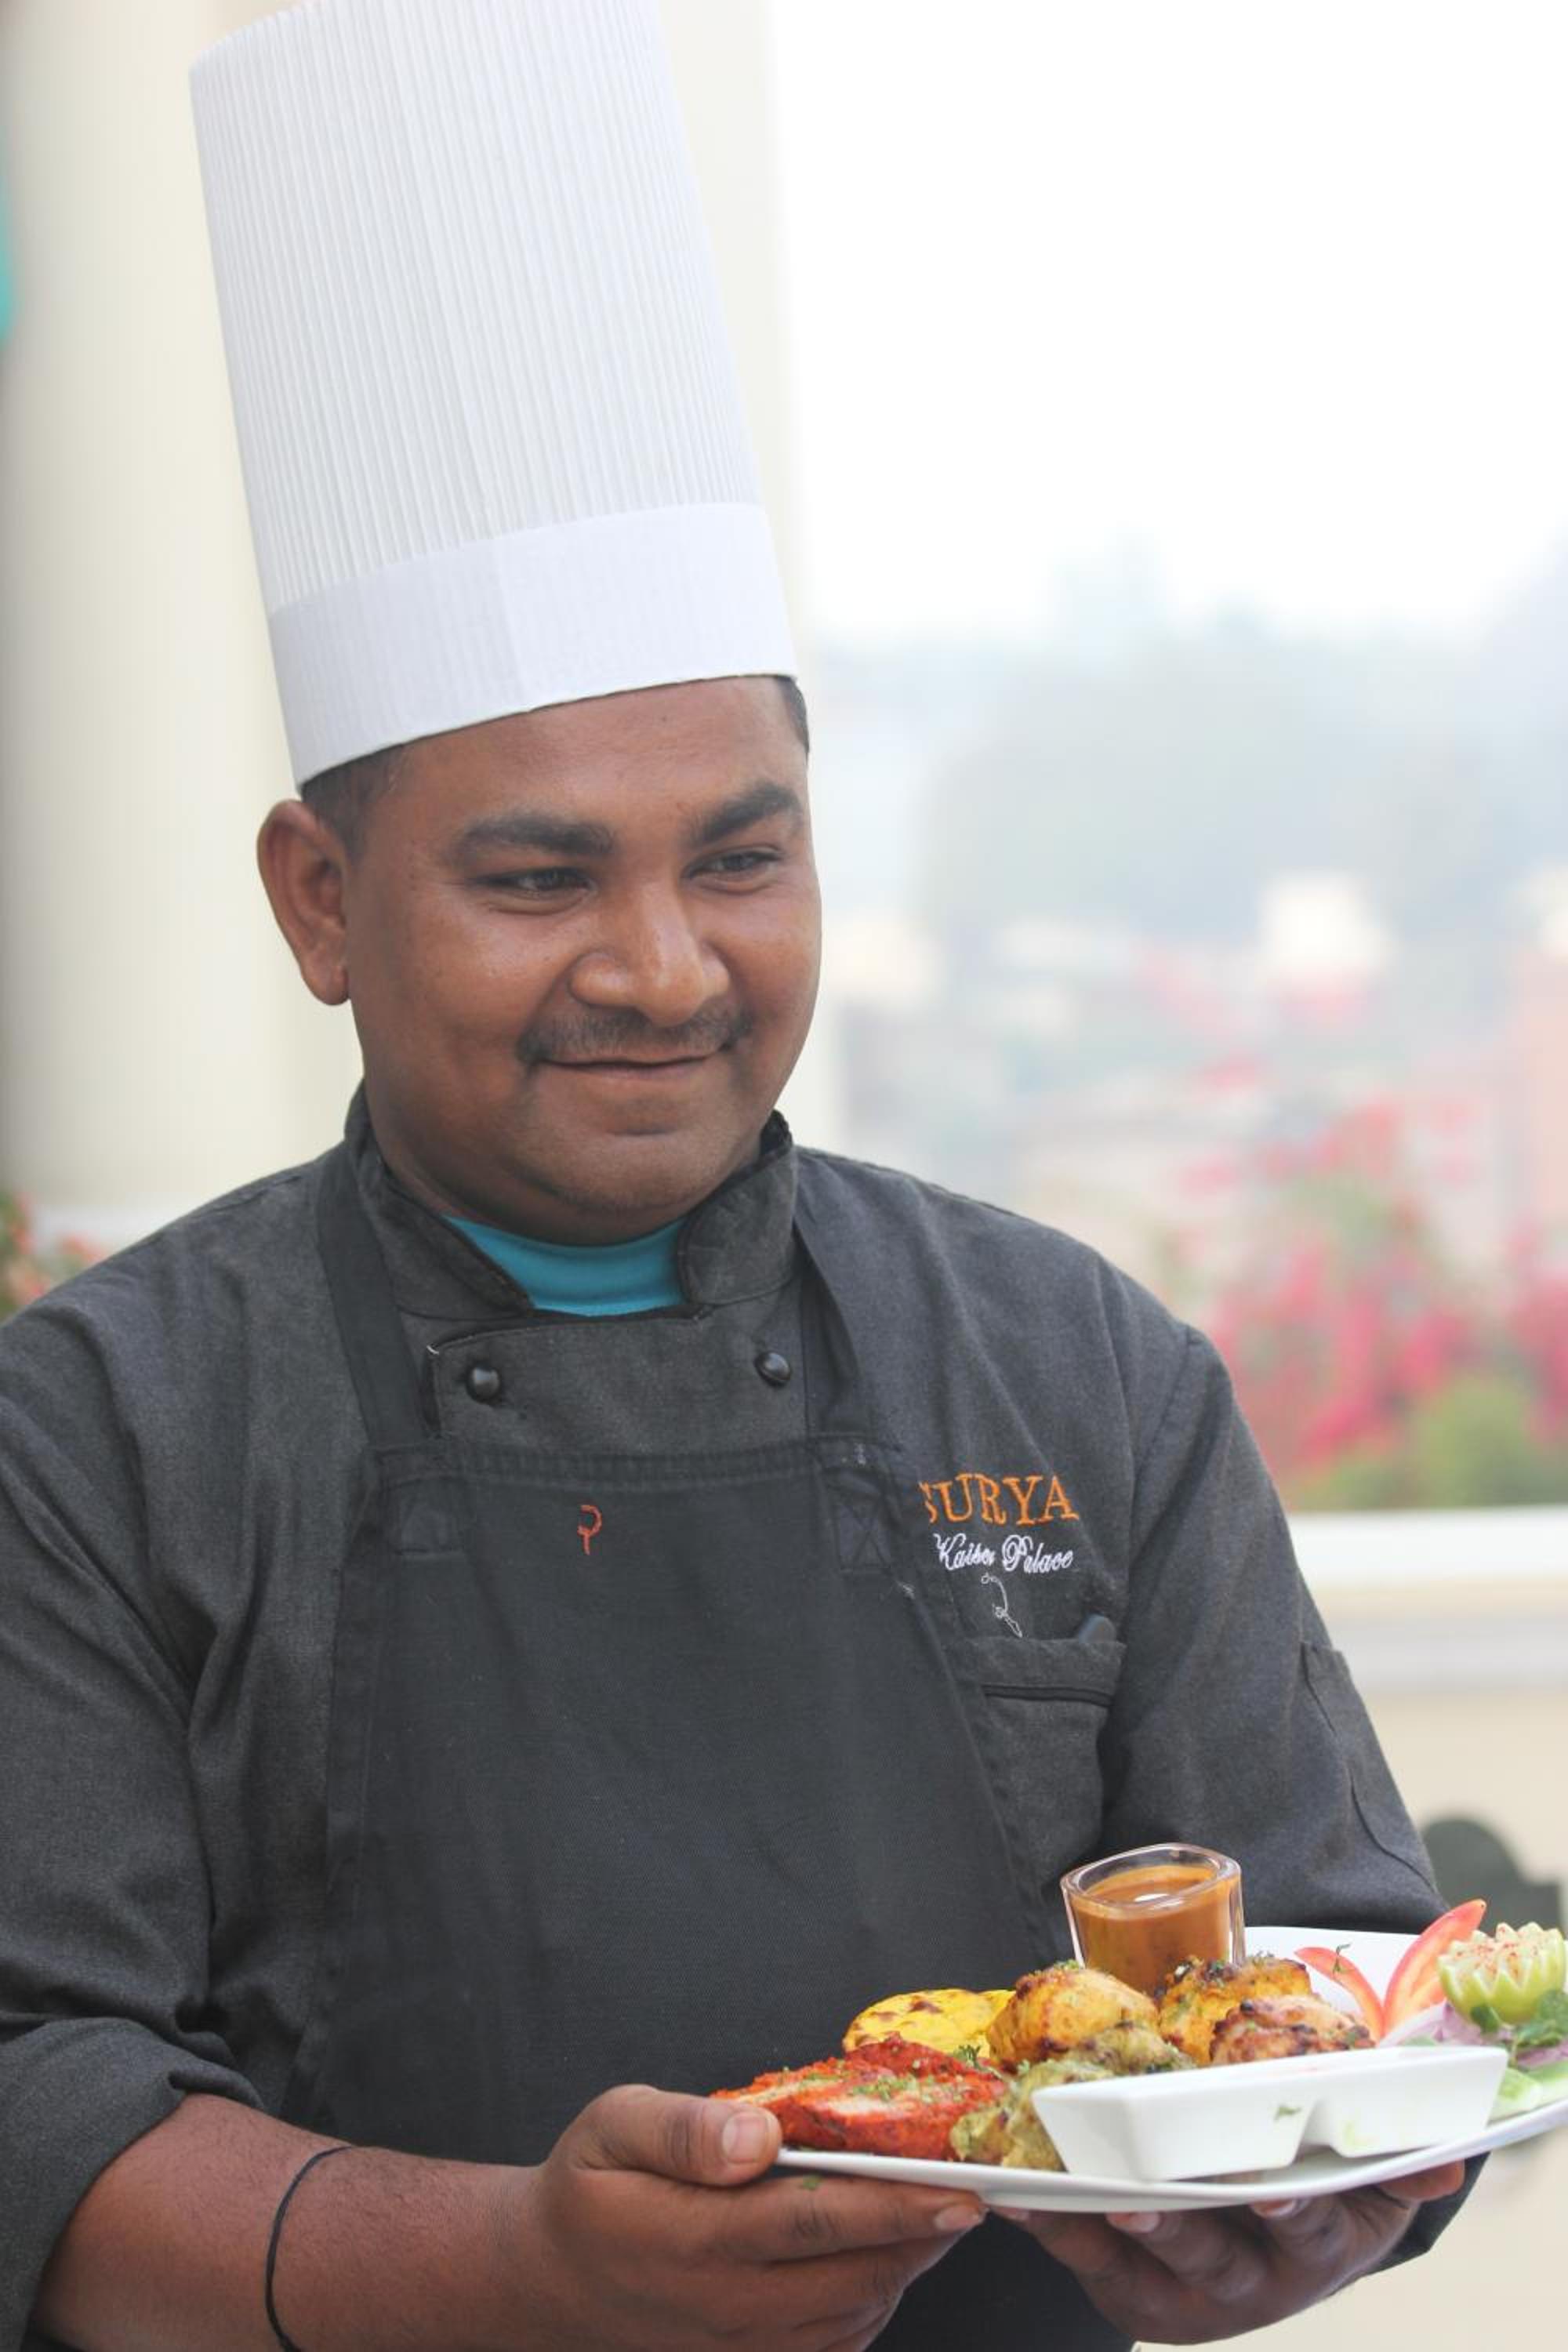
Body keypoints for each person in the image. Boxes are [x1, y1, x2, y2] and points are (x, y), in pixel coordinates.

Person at [0, 4, 1468, 2348]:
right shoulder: (103, 1424)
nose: (663, 968)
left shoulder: (1072, 1360)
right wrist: (514, 2269)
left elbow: (1343, 1973)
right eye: (538, 877)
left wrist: (1317, 2201)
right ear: (317, 898)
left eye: (742, 858)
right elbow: (34, 2096)